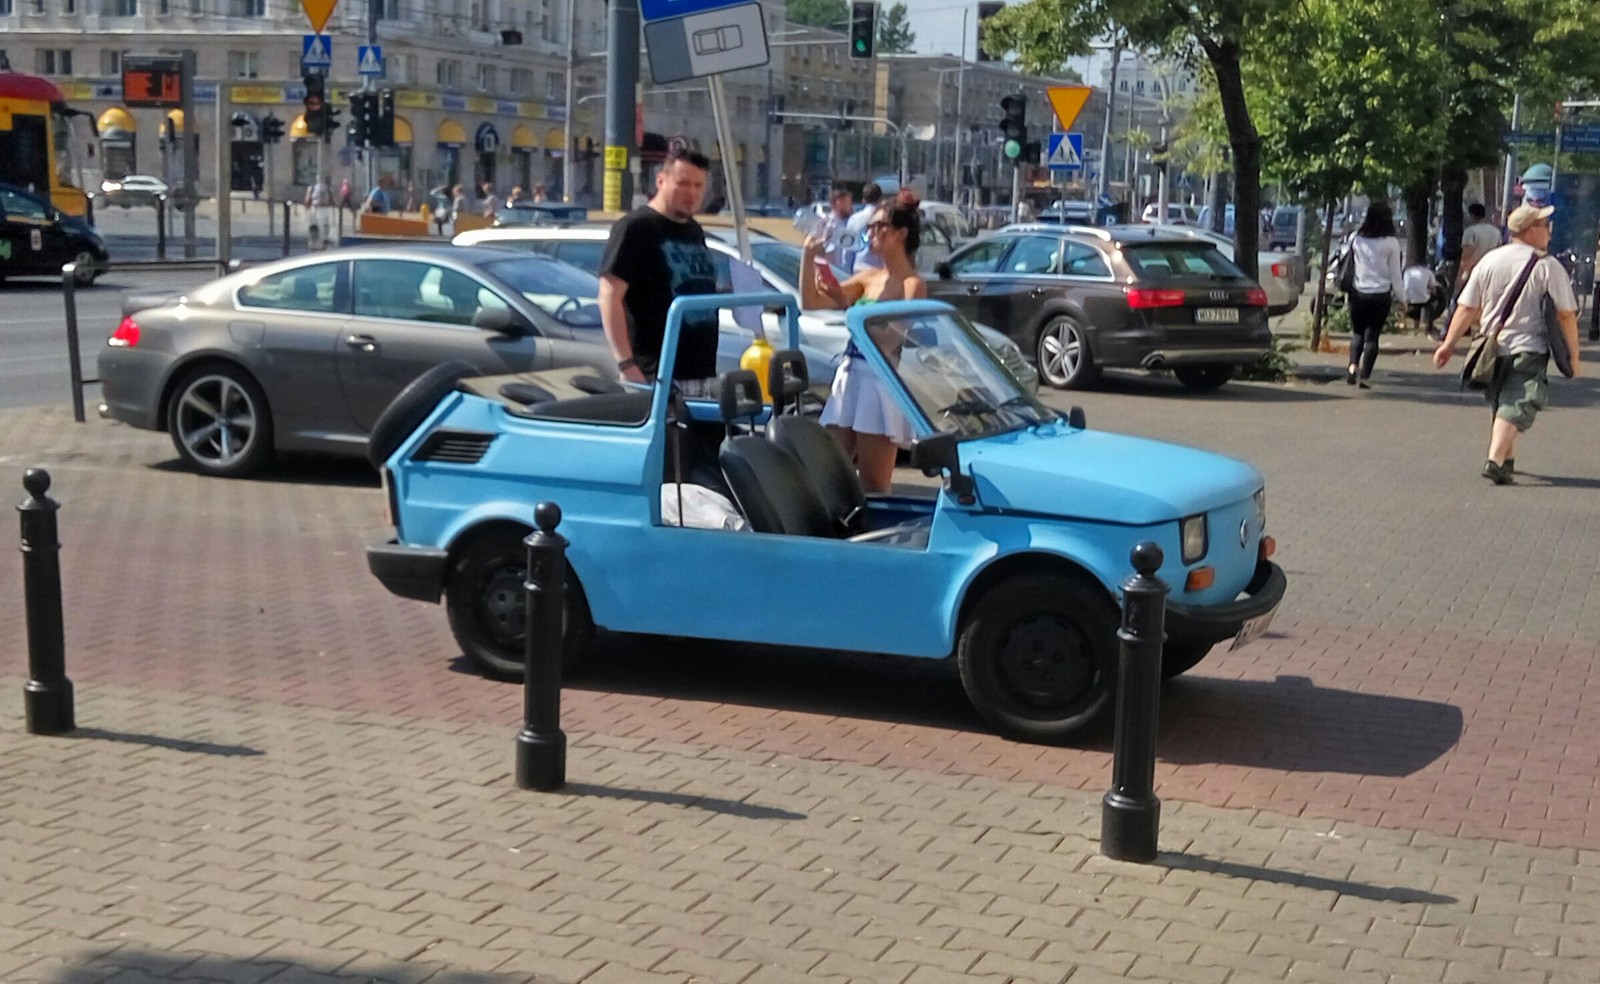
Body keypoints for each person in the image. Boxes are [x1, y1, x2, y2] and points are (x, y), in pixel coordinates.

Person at [1432, 203, 1581, 485]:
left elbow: (1466, 307)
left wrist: (1448, 343)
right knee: (1519, 400)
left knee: (1502, 402)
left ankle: (1506, 459)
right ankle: (1495, 460)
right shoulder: (1547, 266)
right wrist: (1573, 356)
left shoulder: (1489, 261)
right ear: (1529, 231)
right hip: (1529, 348)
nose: (1549, 232)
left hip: (1491, 347)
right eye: (1544, 226)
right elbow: (1565, 314)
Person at [800, 197, 926, 493]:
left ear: (900, 233)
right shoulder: (868, 277)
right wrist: (809, 256)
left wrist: (846, 303)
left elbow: (886, 342)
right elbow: (810, 300)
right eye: (869, 226)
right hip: (850, 375)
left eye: (878, 226)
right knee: (828, 473)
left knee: (873, 483)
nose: (870, 233)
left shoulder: (912, 284)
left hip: (879, 381)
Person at [598, 147, 720, 391]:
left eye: (699, 185)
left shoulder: (693, 229)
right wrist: (626, 364)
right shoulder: (636, 228)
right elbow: (609, 297)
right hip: (656, 373)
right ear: (661, 181)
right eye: (683, 183)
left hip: (700, 371)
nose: (692, 193)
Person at [1342, 201, 1404, 388]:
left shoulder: (1356, 238)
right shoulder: (1391, 243)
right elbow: (1395, 273)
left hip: (1358, 292)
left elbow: (1346, 260)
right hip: (1381, 294)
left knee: (1358, 332)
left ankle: (1352, 366)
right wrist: (1402, 298)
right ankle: (1365, 376)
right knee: (1372, 336)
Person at [847, 183, 884, 272]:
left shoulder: (854, 219)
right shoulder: (885, 219)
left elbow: (847, 249)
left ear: (863, 200)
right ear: (880, 199)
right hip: (878, 269)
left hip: (859, 267)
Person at [816, 186, 856, 262]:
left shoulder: (853, 221)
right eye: (845, 203)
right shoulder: (828, 224)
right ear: (835, 205)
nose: (849, 206)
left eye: (849, 203)